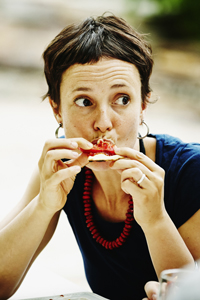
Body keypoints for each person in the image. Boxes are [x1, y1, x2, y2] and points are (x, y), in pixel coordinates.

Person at [0, 14, 200, 300]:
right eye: (84, 102)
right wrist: (44, 205)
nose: (104, 122)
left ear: (143, 104)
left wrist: (155, 220)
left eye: (122, 99)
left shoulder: (191, 171)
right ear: (57, 109)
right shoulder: (62, 169)